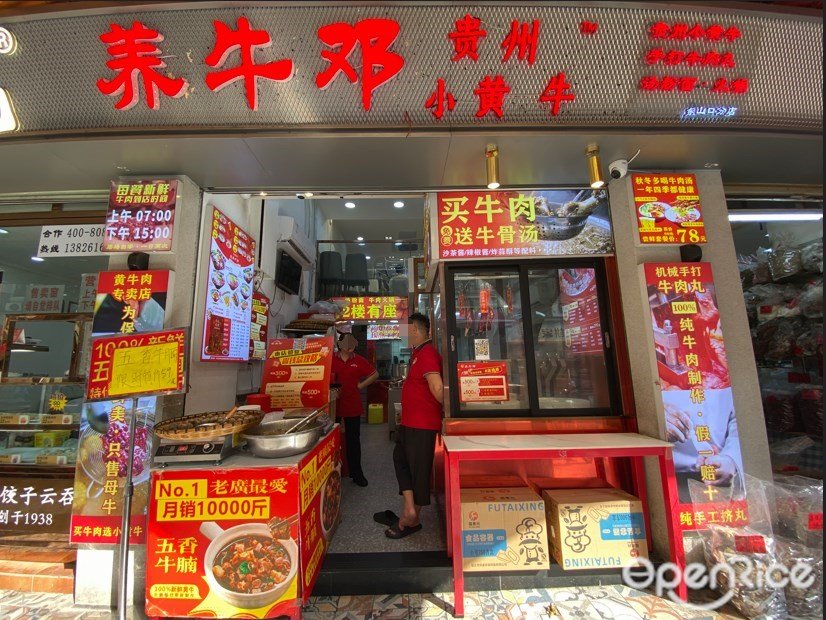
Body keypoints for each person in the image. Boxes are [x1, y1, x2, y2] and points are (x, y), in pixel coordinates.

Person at [379, 311, 443, 539]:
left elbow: (437, 389)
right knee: (400, 459)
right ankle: (408, 509)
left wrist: (450, 410)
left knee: (419, 471)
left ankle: (411, 519)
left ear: (415, 330)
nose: (405, 336)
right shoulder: (418, 353)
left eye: (406, 331)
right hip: (410, 423)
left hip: (422, 425)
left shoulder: (427, 354)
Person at [331, 332, 378, 487]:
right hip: (333, 408)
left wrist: (361, 385)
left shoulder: (359, 360)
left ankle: (357, 474)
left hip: (353, 407)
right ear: (340, 344)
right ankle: (333, 474)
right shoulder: (331, 360)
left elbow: (374, 374)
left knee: (354, 442)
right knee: (332, 443)